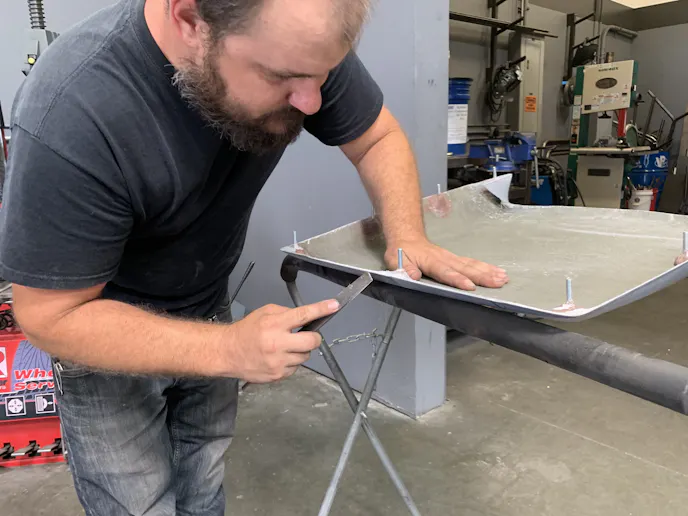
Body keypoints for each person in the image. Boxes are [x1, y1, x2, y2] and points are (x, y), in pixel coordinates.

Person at [0, 0, 509, 514]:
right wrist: (227, 349)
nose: (312, 101)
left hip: (208, 299)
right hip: (105, 333)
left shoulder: (299, 41)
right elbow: (50, 315)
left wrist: (408, 236)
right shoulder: (73, 108)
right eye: (282, 77)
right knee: (137, 502)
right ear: (190, 21)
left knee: (203, 480)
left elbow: (376, 137)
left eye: (322, 75)